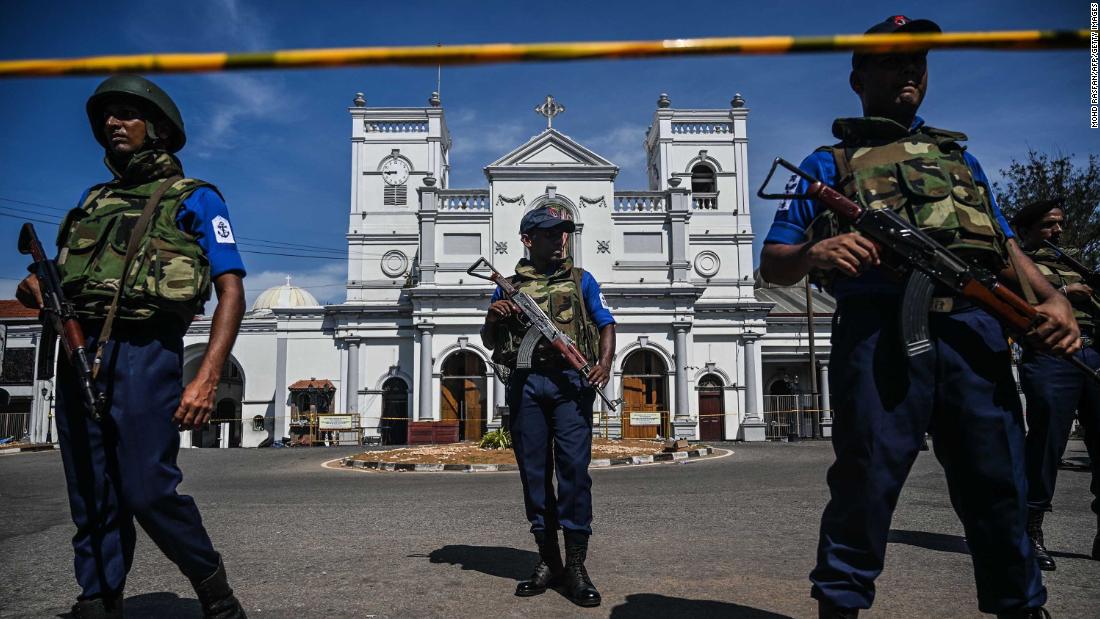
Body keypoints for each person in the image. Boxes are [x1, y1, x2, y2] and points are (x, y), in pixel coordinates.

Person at [758, 15, 1080, 619]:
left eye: (918, 61)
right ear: (858, 78)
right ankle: (841, 606)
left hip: (973, 335)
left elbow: (1003, 248)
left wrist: (1051, 299)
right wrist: (815, 252)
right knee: (864, 484)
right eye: (891, 60)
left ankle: (1022, 605)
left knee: (999, 486)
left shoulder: (964, 161)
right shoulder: (829, 164)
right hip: (881, 336)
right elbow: (774, 263)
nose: (909, 69)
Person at [17, 75, 248, 619]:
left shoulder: (195, 198)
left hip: (146, 354)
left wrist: (207, 376)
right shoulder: (92, 201)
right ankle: (98, 596)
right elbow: (68, 277)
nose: (112, 124)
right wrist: (33, 289)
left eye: (126, 114)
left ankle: (215, 592)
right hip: (78, 350)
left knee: (147, 489)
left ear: (159, 129)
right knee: (92, 491)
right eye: (107, 117)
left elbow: (231, 290)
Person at [480, 204, 616, 607]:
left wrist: (604, 363)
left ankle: (575, 565)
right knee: (535, 474)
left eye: (564, 233)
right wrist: (495, 315)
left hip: (572, 385)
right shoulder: (508, 285)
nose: (560, 240)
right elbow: (489, 340)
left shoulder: (581, 280)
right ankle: (547, 560)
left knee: (574, 472)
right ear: (528, 239)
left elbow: (606, 322)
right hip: (526, 385)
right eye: (550, 233)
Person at [1012, 198, 1100, 570]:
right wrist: (1063, 294)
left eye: (1060, 224)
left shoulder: (1071, 261)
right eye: (1049, 225)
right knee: (1047, 442)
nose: (1058, 231)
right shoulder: (1015, 263)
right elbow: (1012, 303)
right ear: (1028, 229)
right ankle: (1031, 530)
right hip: (1050, 355)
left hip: (1094, 351)